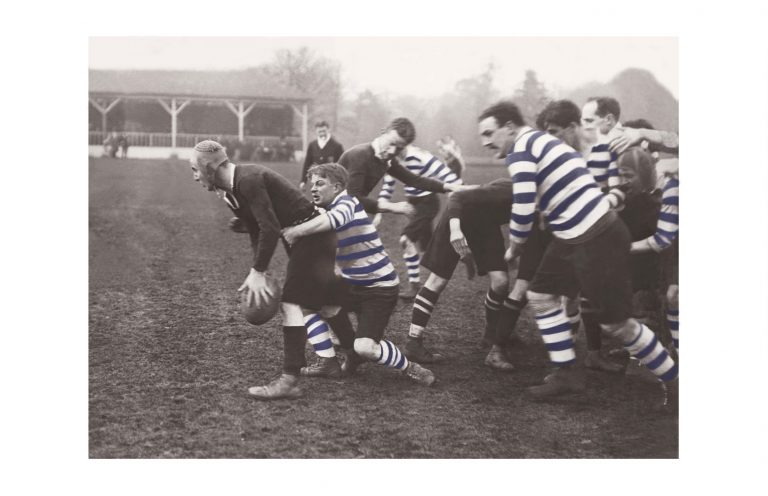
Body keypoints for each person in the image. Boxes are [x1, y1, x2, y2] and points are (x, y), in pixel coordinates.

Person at [478, 101, 678, 407]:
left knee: (617, 324)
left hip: (597, 236)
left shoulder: (522, 148)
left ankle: (674, 379)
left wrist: (515, 246)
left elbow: (523, 203)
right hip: (573, 235)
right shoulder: (543, 141)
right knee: (541, 295)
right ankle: (566, 374)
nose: (486, 141)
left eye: (490, 133)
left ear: (509, 127)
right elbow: (569, 181)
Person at [189, 140, 338, 400]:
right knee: (325, 303)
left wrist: (258, 271)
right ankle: (349, 354)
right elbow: (258, 229)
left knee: (292, 302)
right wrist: (257, 269)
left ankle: (289, 380)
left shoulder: (248, 179)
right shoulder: (229, 191)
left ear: (210, 168)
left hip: (313, 236)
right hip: (299, 237)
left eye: (195, 169)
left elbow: (269, 228)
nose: (194, 176)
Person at [282, 163, 435, 386]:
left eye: (320, 183)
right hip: (350, 285)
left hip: (379, 289)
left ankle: (409, 367)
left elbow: (333, 220)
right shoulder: (324, 209)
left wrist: (295, 232)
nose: (313, 189)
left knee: (365, 347)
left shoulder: (347, 203)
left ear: (336, 187)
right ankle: (329, 362)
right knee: (308, 303)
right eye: (312, 184)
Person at [376, 144, 462, 299]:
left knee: (405, 239)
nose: (394, 153)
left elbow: (445, 173)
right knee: (428, 247)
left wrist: (459, 191)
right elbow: (387, 187)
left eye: (397, 148)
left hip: (428, 203)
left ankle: (414, 286)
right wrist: (379, 211)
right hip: (413, 204)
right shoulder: (391, 159)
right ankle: (455, 253)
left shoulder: (420, 155)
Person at [581, 97, 623, 189]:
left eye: (589, 121)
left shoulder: (618, 146)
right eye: (582, 121)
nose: (583, 126)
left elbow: (616, 189)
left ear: (608, 119)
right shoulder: (595, 145)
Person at [299, 121, 345, 188]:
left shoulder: (337, 146)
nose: (322, 133)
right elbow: (307, 163)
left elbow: (342, 166)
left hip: (331, 180)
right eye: (319, 132)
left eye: (324, 131)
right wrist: (303, 181)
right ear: (316, 132)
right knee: (317, 197)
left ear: (328, 130)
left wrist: (341, 182)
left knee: (329, 197)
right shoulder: (312, 145)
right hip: (316, 178)